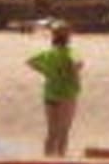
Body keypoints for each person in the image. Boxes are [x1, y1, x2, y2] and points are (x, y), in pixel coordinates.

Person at [27, 20, 83, 156]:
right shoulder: (70, 52)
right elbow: (78, 64)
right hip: (67, 93)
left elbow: (30, 62)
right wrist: (73, 76)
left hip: (50, 93)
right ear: (68, 36)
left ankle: (47, 160)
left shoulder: (48, 53)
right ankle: (61, 159)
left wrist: (45, 71)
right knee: (63, 131)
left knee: (51, 131)